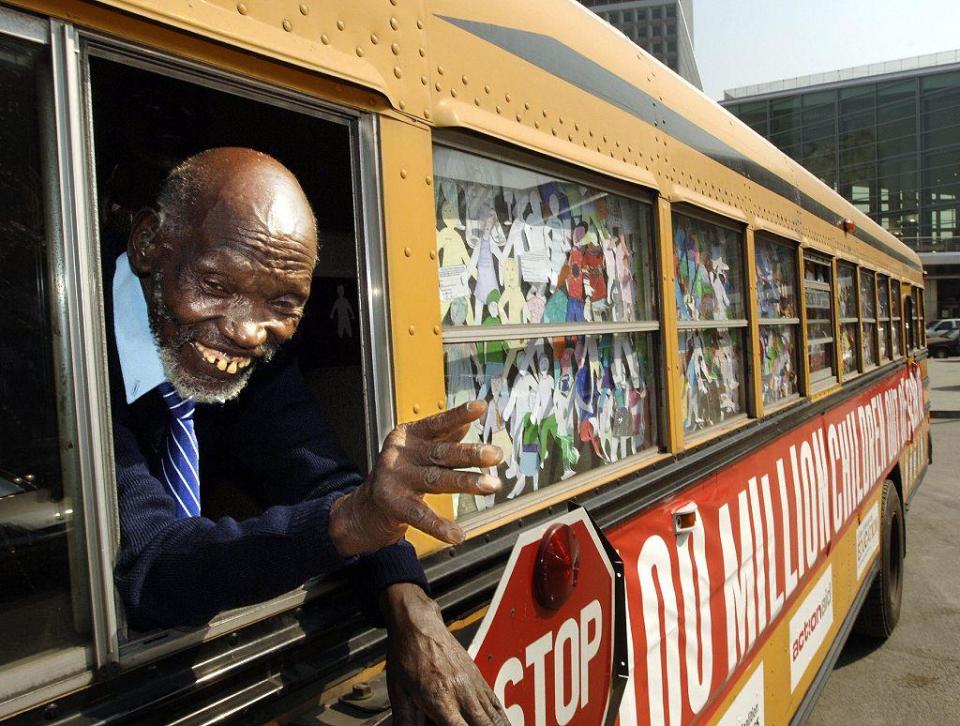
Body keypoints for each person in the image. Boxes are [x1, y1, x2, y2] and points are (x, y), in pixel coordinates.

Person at [109, 147, 508, 725]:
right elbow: (148, 564)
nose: (248, 331)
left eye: (282, 304)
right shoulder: (65, 345)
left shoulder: (242, 351)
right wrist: (346, 523)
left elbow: (320, 479)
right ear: (149, 245)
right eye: (216, 282)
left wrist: (411, 606)